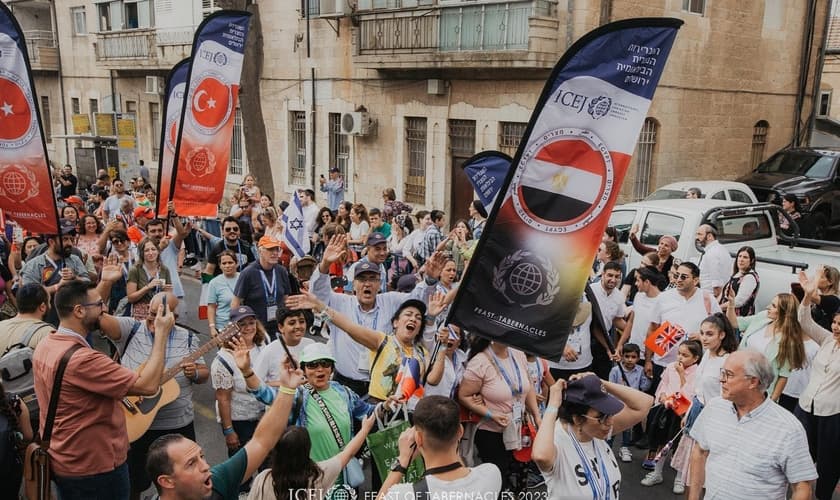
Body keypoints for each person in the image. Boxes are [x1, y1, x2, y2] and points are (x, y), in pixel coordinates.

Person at [33, 279, 173, 499]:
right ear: (79, 311)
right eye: (99, 304)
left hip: (65, 458)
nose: (105, 309)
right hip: (95, 467)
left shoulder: (47, 343)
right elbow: (148, 385)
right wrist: (162, 333)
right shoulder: (83, 360)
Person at [146, 351, 305, 500]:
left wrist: (287, 389)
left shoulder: (218, 482)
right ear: (167, 481)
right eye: (191, 463)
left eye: (201, 457)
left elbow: (261, 442)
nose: (206, 466)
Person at [308, 234, 442, 397]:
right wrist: (325, 264)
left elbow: (416, 302)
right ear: (354, 284)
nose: (367, 284)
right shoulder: (340, 302)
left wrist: (430, 280)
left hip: (381, 385)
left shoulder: (391, 301)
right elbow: (317, 296)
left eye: (373, 279)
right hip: (345, 383)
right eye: (362, 279)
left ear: (379, 284)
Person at [245, 342, 376, 489]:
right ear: (304, 370)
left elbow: (368, 411)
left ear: (332, 368)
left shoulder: (344, 392)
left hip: (343, 479)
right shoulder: (298, 396)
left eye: (325, 363)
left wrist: (388, 404)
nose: (320, 369)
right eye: (312, 365)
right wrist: (247, 371)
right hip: (311, 482)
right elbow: (265, 394)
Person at [688, 350, 816, 500]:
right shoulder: (715, 407)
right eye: (722, 373)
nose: (721, 380)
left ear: (753, 382)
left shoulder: (788, 428)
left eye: (728, 374)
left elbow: (802, 487)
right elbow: (699, 452)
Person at [122, 292, 208, 500]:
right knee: (134, 481)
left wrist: (195, 373)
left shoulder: (188, 337)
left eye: (160, 314)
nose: (153, 319)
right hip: (138, 425)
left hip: (177, 424)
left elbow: (204, 372)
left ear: (174, 318)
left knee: (184, 479)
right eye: (151, 314)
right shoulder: (132, 329)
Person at [287, 292, 445, 403]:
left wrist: (443, 348)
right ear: (396, 322)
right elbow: (349, 326)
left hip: (409, 414)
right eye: (408, 314)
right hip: (380, 409)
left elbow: (433, 380)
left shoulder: (421, 352)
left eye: (418, 318)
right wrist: (321, 307)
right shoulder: (382, 341)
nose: (413, 319)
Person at [532, 373, 654, 499]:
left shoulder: (595, 430)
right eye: (602, 417)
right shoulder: (557, 440)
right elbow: (541, 456)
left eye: (610, 414)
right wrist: (552, 405)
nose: (610, 422)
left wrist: (598, 383)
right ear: (578, 419)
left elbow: (644, 403)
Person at [457, 337, 542, 493]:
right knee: (498, 480)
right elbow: (464, 395)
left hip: (519, 428)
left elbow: (527, 387)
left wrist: (536, 415)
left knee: (520, 477)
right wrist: (491, 414)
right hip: (491, 431)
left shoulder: (518, 354)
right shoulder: (480, 361)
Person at [378, 396, 503, 500]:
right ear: (460, 431)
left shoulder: (406, 494)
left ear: (418, 438)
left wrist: (403, 460)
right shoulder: (490, 474)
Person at [795, 269, 840, 500]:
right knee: (797, 455)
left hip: (833, 415)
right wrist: (807, 295)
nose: (836, 328)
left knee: (828, 465)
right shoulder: (826, 340)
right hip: (806, 407)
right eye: (834, 322)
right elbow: (804, 320)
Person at [248, 420, 375, 500]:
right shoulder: (319, 475)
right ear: (307, 449)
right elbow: (348, 453)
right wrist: (365, 429)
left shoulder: (263, 479)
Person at [644, 262, 721, 392]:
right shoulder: (663, 298)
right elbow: (653, 328)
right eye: (676, 275)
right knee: (659, 403)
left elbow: (720, 327)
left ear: (695, 280)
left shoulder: (707, 299)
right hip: (663, 363)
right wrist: (648, 360)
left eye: (684, 277)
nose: (678, 280)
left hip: (693, 366)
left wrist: (701, 336)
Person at [641, 340, 702, 489]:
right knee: (662, 442)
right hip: (667, 409)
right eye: (679, 354)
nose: (680, 358)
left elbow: (689, 394)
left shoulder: (698, 373)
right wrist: (661, 396)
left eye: (685, 355)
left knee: (681, 445)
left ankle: (680, 478)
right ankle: (657, 472)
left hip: (683, 413)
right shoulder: (670, 367)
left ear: (695, 358)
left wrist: (682, 375)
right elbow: (663, 385)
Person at [211, 306, 268, 459]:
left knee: (268, 467)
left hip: (265, 419)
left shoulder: (264, 345)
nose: (248, 328)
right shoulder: (223, 359)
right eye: (242, 324)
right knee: (242, 472)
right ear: (232, 329)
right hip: (241, 423)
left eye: (251, 322)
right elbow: (223, 398)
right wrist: (229, 431)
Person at [729, 291, 806, 401]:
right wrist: (731, 302)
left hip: (760, 390)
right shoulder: (762, 317)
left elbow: (783, 376)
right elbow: (734, 323)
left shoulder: (788, 341)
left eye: (773, 306)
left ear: (784, 312)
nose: (768, 307)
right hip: (739, 378)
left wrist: (772, 400)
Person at [20, 219, 90, 326]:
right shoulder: (33, 265)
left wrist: (75, 278)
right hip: (46, 323)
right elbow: (29, 295)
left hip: (76, 320)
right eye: (65, 239)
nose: (70, 243)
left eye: (71, 239)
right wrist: (57, 287)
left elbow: (87, 283)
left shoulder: (74, 259)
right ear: (51, 242)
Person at [231, 235, 294, 339]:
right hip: (256, 329)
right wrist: (237, 328)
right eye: (270, 249)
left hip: (279, 327)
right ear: (260, 251)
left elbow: (286, 299)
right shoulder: (248, 273)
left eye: (276, 249)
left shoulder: (282, 271)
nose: (274, 253)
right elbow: (236, 303)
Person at [609, 343, 651, 464]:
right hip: (616, 404)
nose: (630, 360)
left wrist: (648, 377)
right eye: (627, 356)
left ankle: (625, 448)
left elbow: (644, 387)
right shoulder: (616, 370)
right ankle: (608, 449)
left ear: (638, 358)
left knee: (627, 428)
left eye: (633, 357)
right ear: (622, 356)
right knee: (613, 427)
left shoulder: (640, 370)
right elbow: (610, 387)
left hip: (631, 404)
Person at [253, 307, 315, 385]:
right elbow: (256, 384)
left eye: (302, 322)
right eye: (292, 323)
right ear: (281, 327)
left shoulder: (311, 344)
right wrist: (287, 383)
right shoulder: (269, 351)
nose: (298, 326)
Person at [125, 237, 172, 320]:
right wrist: (148, 287)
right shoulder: (135, 270)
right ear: (142, 253)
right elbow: (131, 298)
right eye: (146, 250)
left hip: (159, 312)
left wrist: (168, 291)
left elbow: (169, 296)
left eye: (153, 249)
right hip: (141, 315)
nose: (150, 253)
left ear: (158, 251)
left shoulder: (164, 270)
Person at [0, 283, 53, 354]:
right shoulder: (48, 333)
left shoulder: (1, 325)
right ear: (42, 307)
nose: (50, 306)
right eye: (49, 302)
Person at [207, 250, 240, 336]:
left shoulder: (243, 278)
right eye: (224, 263)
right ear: (220, 266)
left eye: (230, 262)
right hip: (223, 327)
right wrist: (212, 327)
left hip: (242, 325)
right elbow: (211, 307)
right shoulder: (214, 283)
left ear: (236, 264)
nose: (227, 266)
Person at [720, 245, 759, 316]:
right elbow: (723, 293)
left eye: (745, 257)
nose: (741, 259)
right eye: (739, 256)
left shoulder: (750, 278)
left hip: (738, 318)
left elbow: (739, 301)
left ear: (752, 260)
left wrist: (719, 308)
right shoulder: (737, 274)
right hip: (725, 314)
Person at [695, 224, 732, 298]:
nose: (697, 238)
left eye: (700, 234)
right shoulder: (721, 249)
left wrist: (715, 302)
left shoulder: (712, 253)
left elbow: (716, 283)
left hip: (711, 297)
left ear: (709, 236)